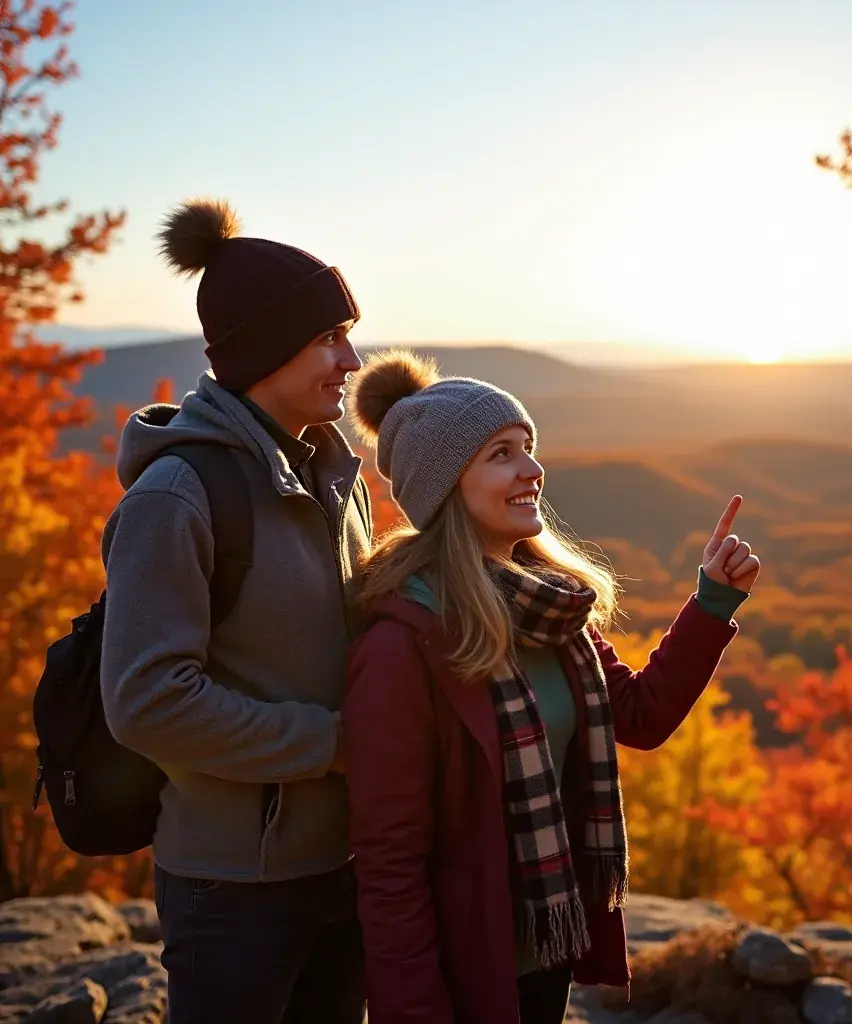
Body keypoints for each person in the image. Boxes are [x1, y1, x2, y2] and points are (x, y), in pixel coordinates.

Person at [342, 350, 760, 1024]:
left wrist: (711, 603)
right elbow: (390, 865)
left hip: (546, 950)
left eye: (529, 447)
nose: (533, 469)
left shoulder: (551, 611)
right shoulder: (403, 646)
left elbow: (640, 715)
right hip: (464, 969)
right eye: (502, 454)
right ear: (446, 485)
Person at [99, 198, 369, 1023]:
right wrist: (330, 746)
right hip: (233, 889)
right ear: (263, 348)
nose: (351, 357)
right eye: (328, 337)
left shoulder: (333, 476)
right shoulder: (178, 496)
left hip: (347, 864)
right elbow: (147, 703)